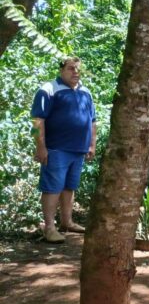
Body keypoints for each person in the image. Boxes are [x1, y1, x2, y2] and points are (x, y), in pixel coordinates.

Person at [31, 57, 97, 243]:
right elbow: (37, 121)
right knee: (53, 188)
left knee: (69, 186)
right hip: (56, 149)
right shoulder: (48, 90)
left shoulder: (85, 92)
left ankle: (67, 222)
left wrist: (92, 144)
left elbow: (93, 121)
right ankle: (49, 228)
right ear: (61, 70)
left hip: (78, 150)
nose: (75, 72)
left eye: (78, 69)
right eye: (71, 69)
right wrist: (41, 147)